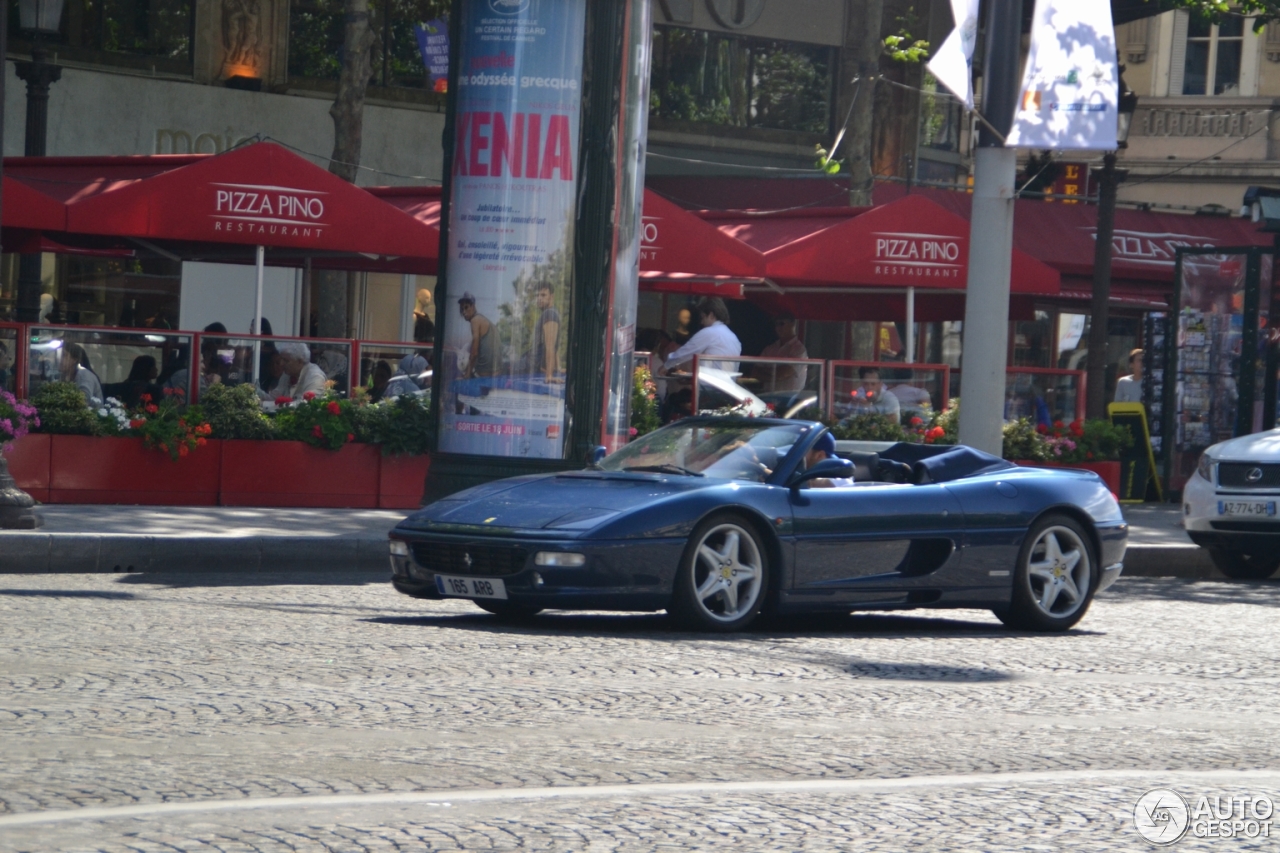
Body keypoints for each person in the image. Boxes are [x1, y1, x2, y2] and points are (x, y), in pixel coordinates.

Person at [661, 297, 741, 374]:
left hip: (710, 385)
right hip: (727, 384)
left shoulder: (710, 332)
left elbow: (687, 351)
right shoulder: (733, 337)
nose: (702, 322)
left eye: (703, 318)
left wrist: (666, 365)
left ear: (711, 315)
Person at [757, 312, 808, 393]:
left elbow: (783, 374)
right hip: (767, 398)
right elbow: (755, 372)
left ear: (792, 324)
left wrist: (765, 371)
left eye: (781, 323)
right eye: (776, 324)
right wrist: (775, 373)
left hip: (789, 401)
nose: (778, 327)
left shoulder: (799, 350)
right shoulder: (770, 348)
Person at [459, 292, 500, 379]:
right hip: (497, 372)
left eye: (466, 307)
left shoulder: (475, 321)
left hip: (484, 373)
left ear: (473, 306)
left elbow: (474, 353)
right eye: (462, 309)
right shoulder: (484, 320)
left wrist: (467, 374)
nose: (464, 312)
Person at [532, 282, 562, 383]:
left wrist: (549, 375)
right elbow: (555, 345)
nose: (539, 298)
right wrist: (558, 368)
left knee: (498, 367)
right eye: (537, 295)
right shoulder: (552, 312)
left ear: (551, 297)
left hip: (531, 365)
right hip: (535, 365)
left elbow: (550, 346)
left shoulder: (549, 314)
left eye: (543, 295)